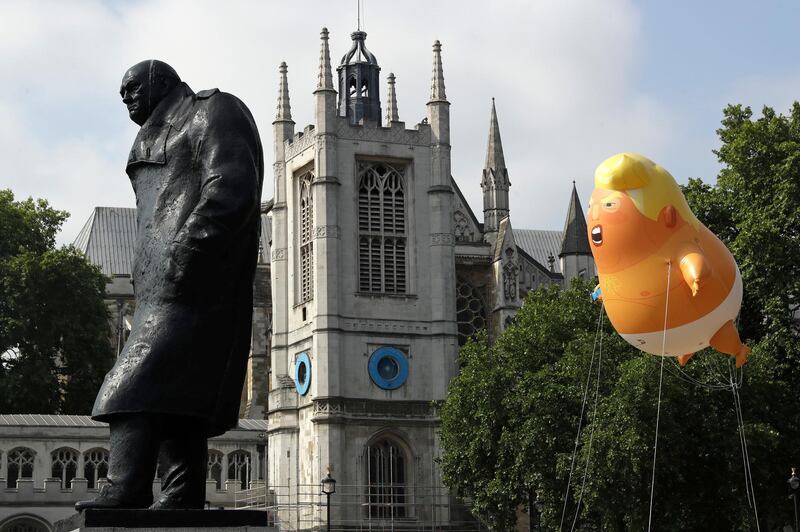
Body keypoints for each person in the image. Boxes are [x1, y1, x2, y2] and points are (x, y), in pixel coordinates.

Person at [76, 60, 264, 511]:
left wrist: (189, 248)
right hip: (155, 286)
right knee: (179, 396)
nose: (126, 100)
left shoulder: (214, 111)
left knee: (129, 387)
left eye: (132, 89)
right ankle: (181, 496)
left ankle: (126, 486)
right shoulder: (147, 135)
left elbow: (231, 186)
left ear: (160, 81)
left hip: (198, 282)